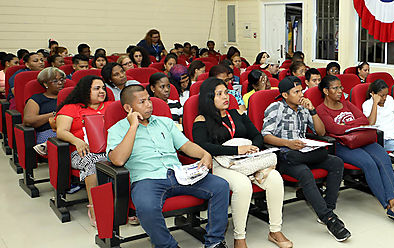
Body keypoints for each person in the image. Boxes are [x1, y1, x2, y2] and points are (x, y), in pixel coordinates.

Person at [107, 85, 229, 248]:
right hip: (147, 179)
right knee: (146, 207)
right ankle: (167, 246)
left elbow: (185, 146)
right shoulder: (117, 129)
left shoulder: (164, 122)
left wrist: (204, 154)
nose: (149, 104)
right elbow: (118, 160)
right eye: (142, 102)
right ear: (128, 108)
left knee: (220, 186)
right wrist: (133, 126)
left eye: (149, 100)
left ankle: (214, 242)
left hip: (179, 174)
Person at [193, 78, 291, 248]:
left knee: (275, 178)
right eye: (220, 94)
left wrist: (253, 148)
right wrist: (237, 150)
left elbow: (257, 135)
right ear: (209, 98)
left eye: (226, 92)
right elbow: (203, 147)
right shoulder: (201, 120)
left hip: (248, 162)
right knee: (243, 185)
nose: (226, 97)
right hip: (221, 164)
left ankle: (275, 230)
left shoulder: (237, 114)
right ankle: (240, 238)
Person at [262, 76, 350, 241]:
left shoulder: (303, 108)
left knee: (336, 162)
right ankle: (329, 219)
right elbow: (265, 136)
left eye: (301, 90)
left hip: (304, 153)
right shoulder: (276, 108)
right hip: (285, 155)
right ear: (285, 95)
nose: (301, 94)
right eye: (296, 92)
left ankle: (328, 208)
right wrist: (287, 143)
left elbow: (321, 132)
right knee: (304, 173)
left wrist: (313, 111)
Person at [317, 75, 394, 222]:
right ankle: (387, 206)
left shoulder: (346, 104)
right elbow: (334, 129)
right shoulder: (321, 110)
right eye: (335, 88)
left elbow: (364, 120)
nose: (340, 91)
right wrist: (354, 125)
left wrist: (347, 126)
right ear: (326, 91)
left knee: (384, 159)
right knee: (369, 164)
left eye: (340, 87)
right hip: (343, 145)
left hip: (362, 139)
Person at [55, 75, 110, 227]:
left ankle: (128, 207)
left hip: (110, 149)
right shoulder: (71, 108)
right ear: (86, 90)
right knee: (93, 163)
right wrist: (76, 140)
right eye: (97, 88)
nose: (102, 91)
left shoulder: (111, 106)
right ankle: (94, 208)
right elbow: (61, 131)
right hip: (82, 151)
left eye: (103, 88)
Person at [23, 67, 65, 154]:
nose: (60, 83)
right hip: (48, 132)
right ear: (45, 84)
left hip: (70, 130)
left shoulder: (69, 97)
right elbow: (28, 121)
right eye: (55, 81)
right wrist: (54, 114)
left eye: (62, 80)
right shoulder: (36, 99)